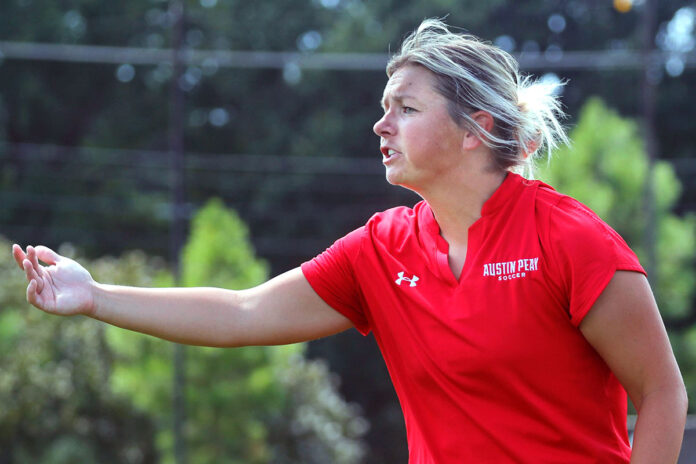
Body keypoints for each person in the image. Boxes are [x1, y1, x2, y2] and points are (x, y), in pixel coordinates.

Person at [13, 19, 687, 464]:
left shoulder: (570, 238)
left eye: (406, 108)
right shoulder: (380, 251)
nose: (380, 125)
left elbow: (662, 394)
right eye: (385, 106)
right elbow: (245, 312)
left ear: (475, 128)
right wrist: (96, 295)